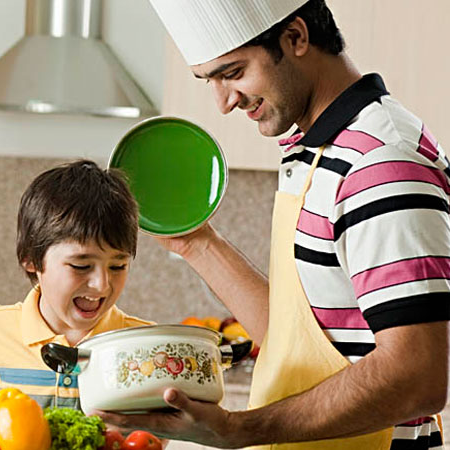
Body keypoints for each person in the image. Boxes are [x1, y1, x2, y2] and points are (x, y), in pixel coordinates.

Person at [98, 1, 449, 448]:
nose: (224, 103)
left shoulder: (380, 163)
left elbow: (416, 376)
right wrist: (197, 244)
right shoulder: (310, 148)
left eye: (233, 73)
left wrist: (238, 429)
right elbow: (297, 340)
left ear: (296, 37)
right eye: (211, 81)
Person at [0, 160, 153, 430]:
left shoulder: (142, 344)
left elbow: (153, 436)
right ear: (32, 260)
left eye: (118, 266)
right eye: (81, 266)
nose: (101, 284)